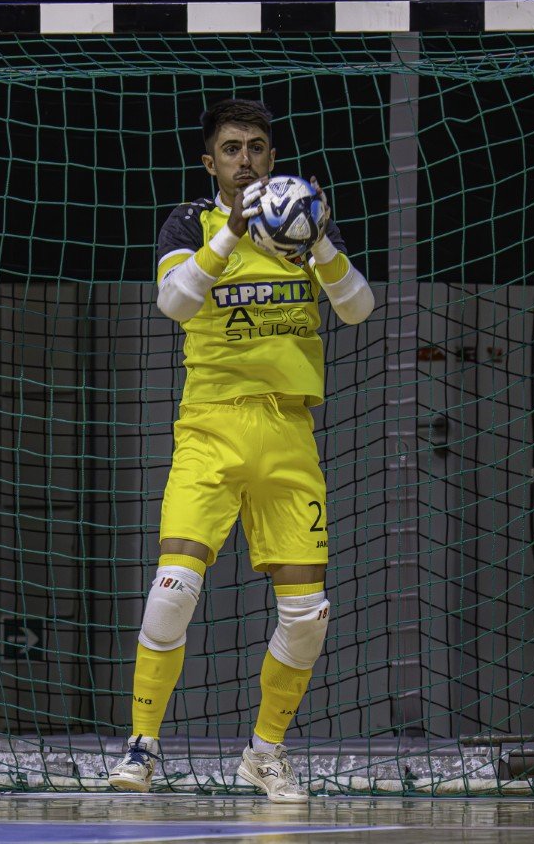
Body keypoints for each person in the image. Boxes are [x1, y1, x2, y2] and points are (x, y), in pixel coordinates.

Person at [105, 98, 374, 802]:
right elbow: (174, 302)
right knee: (174, 589)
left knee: (308, 616)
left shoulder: (305, 223)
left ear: (272, 158)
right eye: (231, 148)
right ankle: (142, 745)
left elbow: (358, 307)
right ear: (210, 161)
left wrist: (317, 242)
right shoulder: (190, 224)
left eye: (256, 146)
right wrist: (230, 236)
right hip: (211, 428)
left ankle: (264, 754)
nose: (245, 158)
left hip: (289, 433)